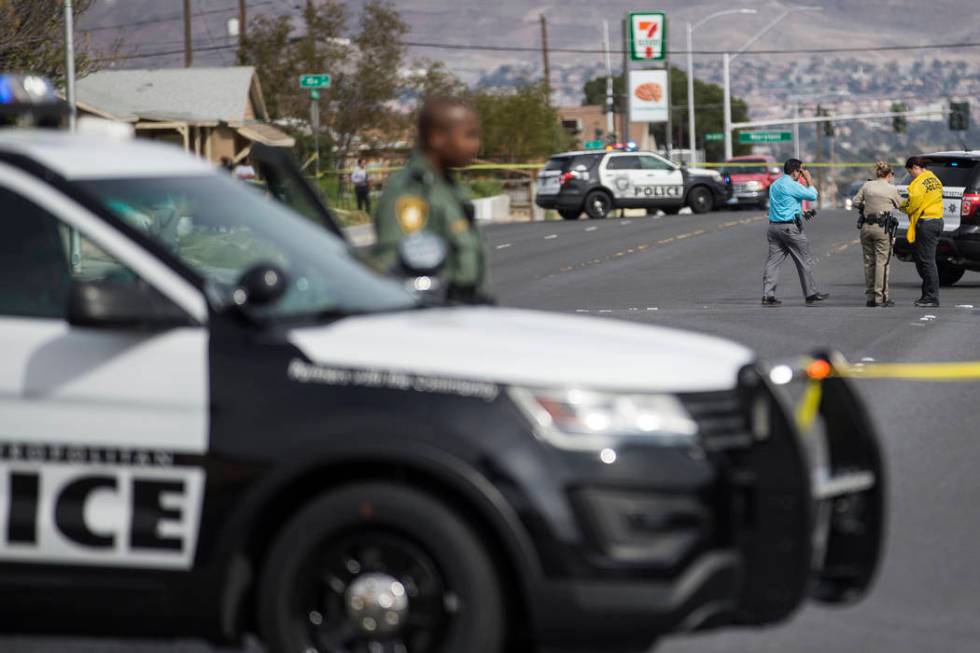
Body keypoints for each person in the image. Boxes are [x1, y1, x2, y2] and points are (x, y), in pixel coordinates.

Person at [372, 96, 488, 303]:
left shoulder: (446, 186)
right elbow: (394, 267)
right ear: (437, 137)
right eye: (469, 135)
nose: (476, 144)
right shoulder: (411, 191)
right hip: (434, 317)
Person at [761, 158, 830, 306]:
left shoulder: (775, 185)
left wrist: (801, 211)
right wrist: (809, 180)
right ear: (795, 171)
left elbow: (785, 203)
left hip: (774, 227)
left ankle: (768, 295)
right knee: (803, 261)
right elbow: (812, 195)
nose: (802, 173)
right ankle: (810, 293)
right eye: (801, 170)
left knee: (773, 262)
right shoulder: (792, 184)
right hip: (790, 229)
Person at [853, 161, 903, 307]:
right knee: (882, 263)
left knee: (869, 262)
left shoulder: (867, 185)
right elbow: (900, 204)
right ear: (888, 175)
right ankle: (880, 297)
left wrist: (867, 206)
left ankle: (870, 297)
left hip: (866, 227)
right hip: (882, 228)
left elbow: (856, 202)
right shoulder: (891, 189)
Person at [901, 156, 944, 307]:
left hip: (926, 223)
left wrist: (901, 205)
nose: (911, 175)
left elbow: (913, 204)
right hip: (937, 221)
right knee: (926, 261)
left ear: (915, 167)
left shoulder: (918, 183)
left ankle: (931, 297)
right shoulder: (934, 179)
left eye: (910, 172)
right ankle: (927, 295)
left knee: (926, 262)